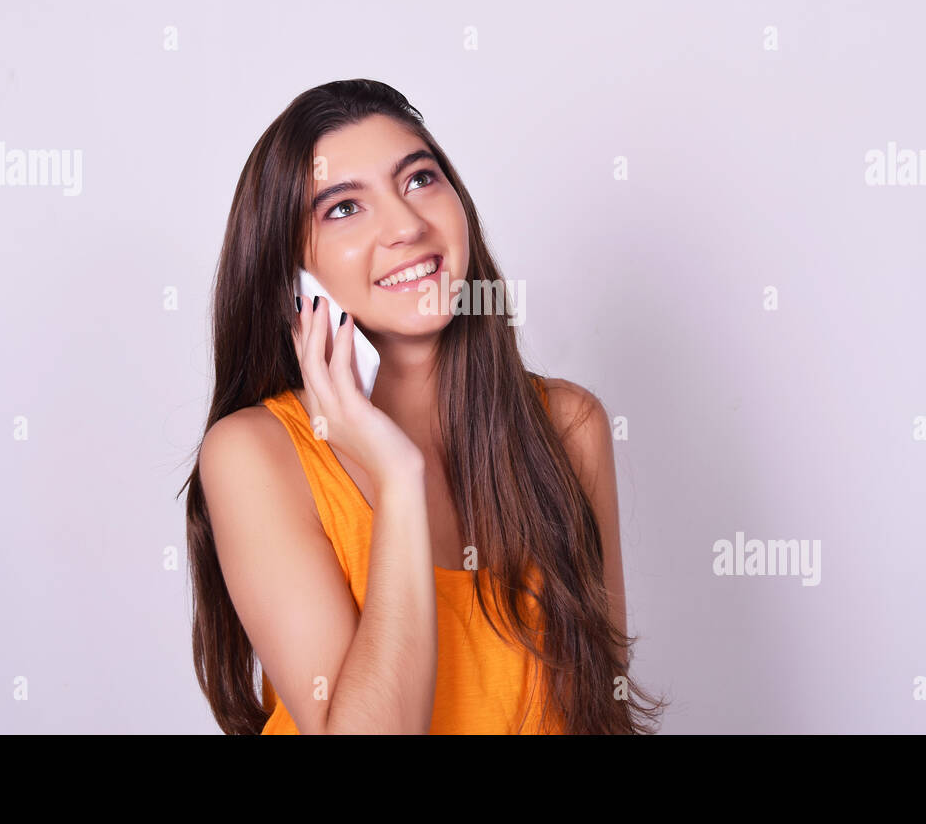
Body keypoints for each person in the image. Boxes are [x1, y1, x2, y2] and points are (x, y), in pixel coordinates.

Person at [181, 79, 666, 733]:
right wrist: (397, 479)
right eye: (343, 209)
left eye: (419, 179)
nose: (406, 225)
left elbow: (595, 715)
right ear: (290, 275)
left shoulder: (569, 428)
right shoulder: (255, 455)